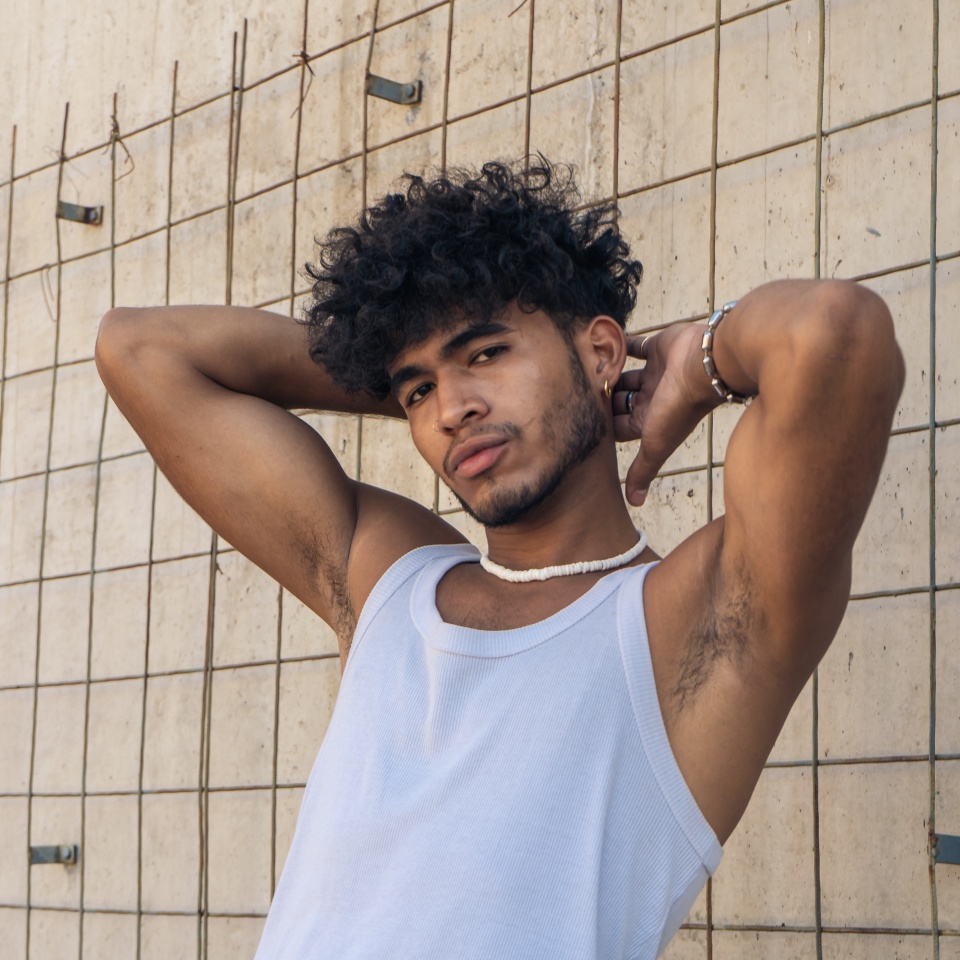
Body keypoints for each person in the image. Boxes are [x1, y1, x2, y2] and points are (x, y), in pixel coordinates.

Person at [95, 160, 904, 959]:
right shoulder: (389, 579)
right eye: (417, 392)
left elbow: (834, 333)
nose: (452, 409)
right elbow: (139, 349)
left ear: (599, 353)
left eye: (485, 353)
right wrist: (409, 371)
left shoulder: (693, 620)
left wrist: (699, 363)